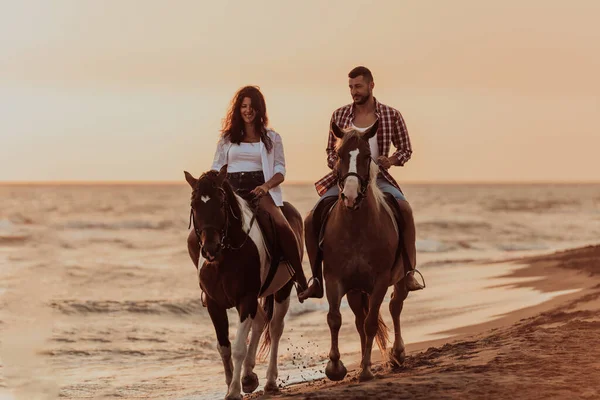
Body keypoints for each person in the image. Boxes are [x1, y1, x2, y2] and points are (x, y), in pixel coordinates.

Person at [298, 66, 424, 302]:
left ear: (371, 85)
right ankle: (315, 279)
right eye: (351, 87)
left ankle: (408, 272)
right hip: (346, 178)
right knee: (310, 218)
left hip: (379, 178)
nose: (354, 91)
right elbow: (329, 151)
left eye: (358, 86)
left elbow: (406, 149)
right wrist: (339, 165)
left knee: (405, 209)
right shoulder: (339, 116)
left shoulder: (391, 115)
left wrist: (392, 160)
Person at [187, 85, 309, 299]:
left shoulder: (272, 137)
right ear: (238, 109)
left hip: (258, 191)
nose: (248, 110)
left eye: (252, 106)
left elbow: (280, 171)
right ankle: (207, 284)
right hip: (230, 191)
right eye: (243, 106)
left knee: (283, 226)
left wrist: (266, 187)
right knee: (192, 237)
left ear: (260, 110)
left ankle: (300, 280)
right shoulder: (226, 139)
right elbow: (217, 167)